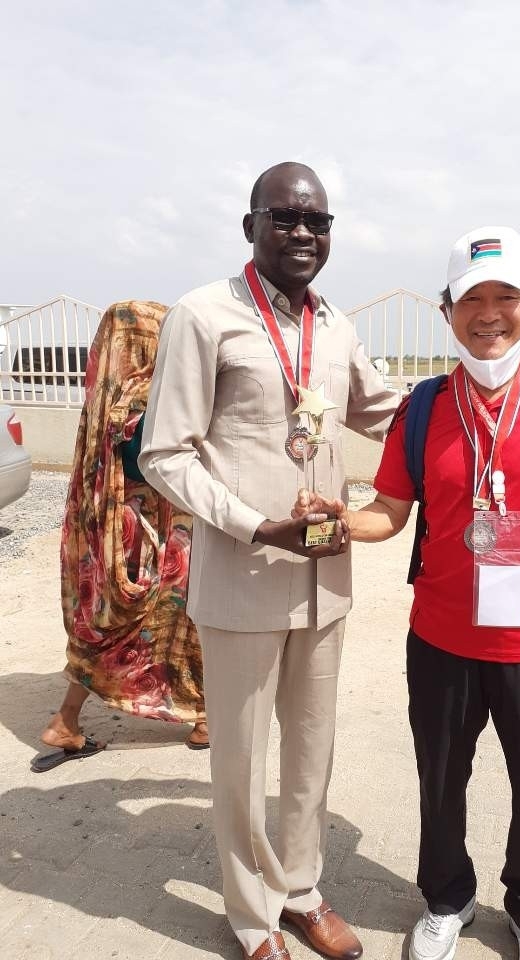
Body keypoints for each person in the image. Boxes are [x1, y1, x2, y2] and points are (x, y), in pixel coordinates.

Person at [294, 226, 520, 960]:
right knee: (441, 782)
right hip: (443, 640)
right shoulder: (421, 410)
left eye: (505, 296)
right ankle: (446, 901)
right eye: (471, 298)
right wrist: (340, 522)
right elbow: (390, 511)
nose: (489, 313)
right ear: (447, 311)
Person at [138, 162, 397, 960]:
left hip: (324, 576)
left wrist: (479, 399)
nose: (302, 234)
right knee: (243, 760)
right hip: (246, 576)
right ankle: (253, 915)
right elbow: (164, 454)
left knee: (312, 750)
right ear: (250, 225)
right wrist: (255, 526)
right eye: (284, 218)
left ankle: (303, 890)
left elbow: (383, 409)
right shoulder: (204, 315)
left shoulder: (339, 326)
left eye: (316, 222)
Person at [34, 300, 207, 775]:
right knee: (169, 620)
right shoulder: (147, 399)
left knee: (110, 625)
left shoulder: (102, 399)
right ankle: (201, 717)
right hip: (150, 536)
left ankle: (69, 718)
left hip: (106, 534)